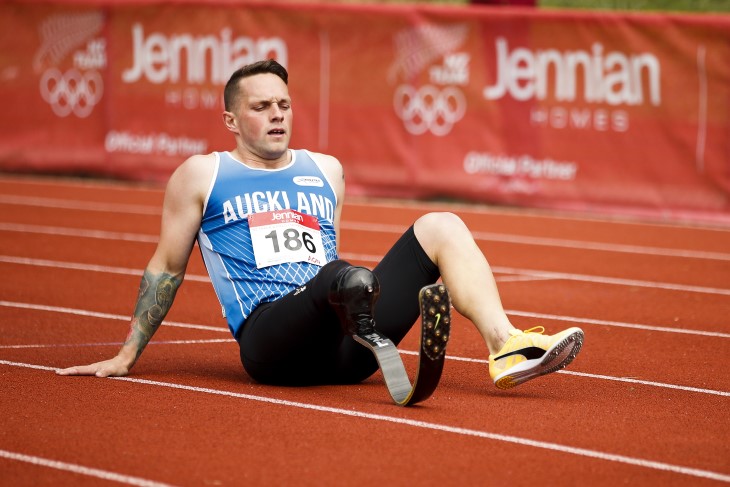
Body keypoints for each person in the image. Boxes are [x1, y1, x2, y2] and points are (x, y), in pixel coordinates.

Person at [57, 59, 583, 390]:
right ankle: (360, 306)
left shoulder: (325, 170)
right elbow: (165, 268)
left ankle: (504, 346)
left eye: (284, 104)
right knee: (341, 277)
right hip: (271, 343)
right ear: (232, 121)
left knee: (440, 224)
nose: (277, 114)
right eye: (262, 107)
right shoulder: (202, 173)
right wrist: (128, 354)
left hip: (345, 344)